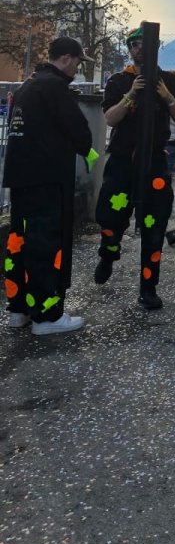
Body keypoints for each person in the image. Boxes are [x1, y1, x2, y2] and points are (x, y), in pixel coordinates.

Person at [2, 37, 98, 336]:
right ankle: (47, 315)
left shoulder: (27, 86)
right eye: (78, 62)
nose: (77, 69)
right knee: (46, 245)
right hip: (47, 179)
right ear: (67, 58)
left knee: (19, 242)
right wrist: (86, 149)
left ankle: (19, 309)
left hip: (21, 179)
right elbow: (80, 132)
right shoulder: (55, 88)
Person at [94, 26, 175, 310]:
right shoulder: (119, 80)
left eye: (144, 44)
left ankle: (148, 287)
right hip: (123, 161)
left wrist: (167, 97)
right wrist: (131, 94)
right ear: (129, 49)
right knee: (111, 218)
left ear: (155, 47)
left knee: (154, 225)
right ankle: (108, 252)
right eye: (134, 44)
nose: (139, 49)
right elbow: (110, 118)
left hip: (154, 161)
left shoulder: (168, 80)